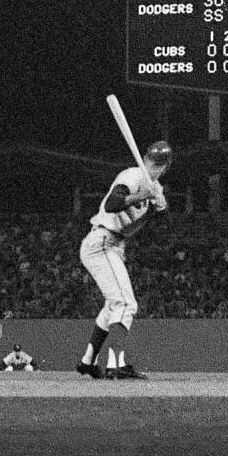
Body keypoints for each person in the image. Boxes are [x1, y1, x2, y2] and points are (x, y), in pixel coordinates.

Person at [75, 140, 170, 379]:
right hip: (102, 242)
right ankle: (116, 364)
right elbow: (113, 204)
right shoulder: (133, 175)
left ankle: (88, 361)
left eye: (159, 163)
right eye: (153, 161)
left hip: (114, 243)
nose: (155, 166)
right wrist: (141, 195)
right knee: (126, 304)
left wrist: (155, 210)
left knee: (112, 306)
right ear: (146, 159)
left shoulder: (154, 187)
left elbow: (139, 227)